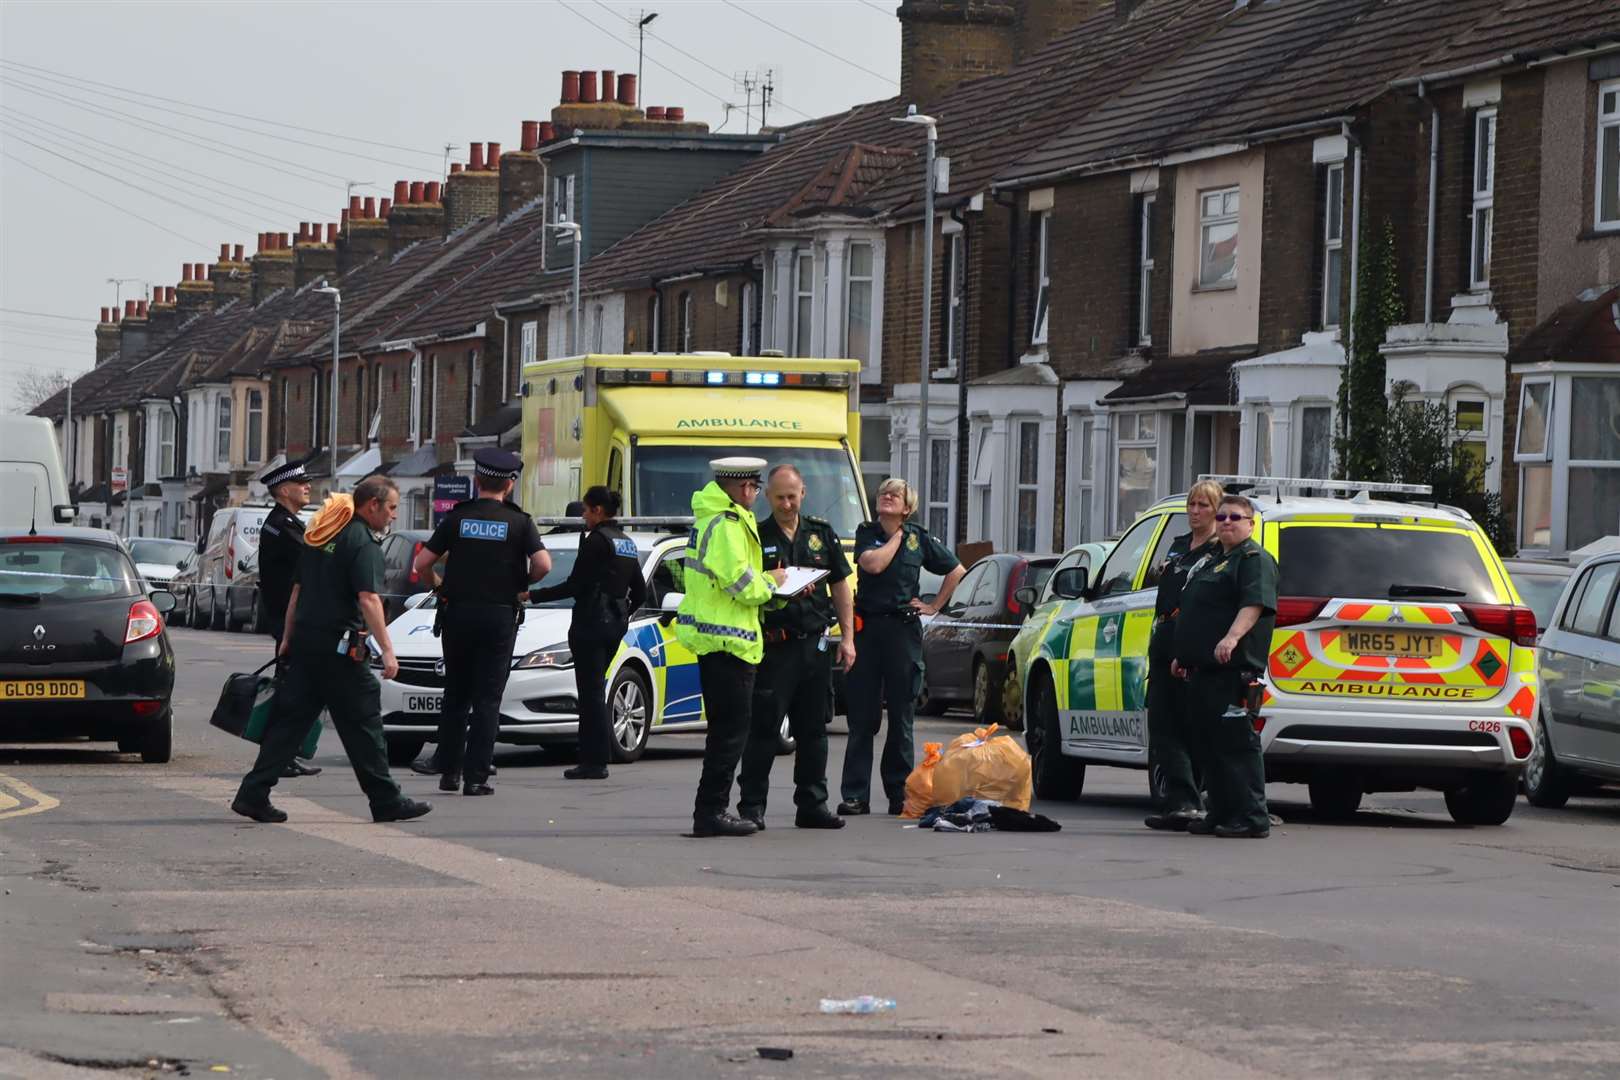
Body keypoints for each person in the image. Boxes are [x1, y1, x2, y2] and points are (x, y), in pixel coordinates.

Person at [232, 475, 431, 825]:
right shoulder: (361, 541)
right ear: (372, 505)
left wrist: (288, 639)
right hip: (339, 649)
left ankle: (253, 793)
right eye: (392, 508)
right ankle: (386, 800)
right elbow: (368, 598)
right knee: (365, 722)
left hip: (307, 644)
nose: (394, 516)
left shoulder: (321, 534)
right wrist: (388, 651)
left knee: (290, 722)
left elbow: (297, 591)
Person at [412, 449, 551, 797]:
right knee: (488, 699)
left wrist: (438, 586)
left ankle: (448, 771)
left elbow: (423, 563)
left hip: (458, 614)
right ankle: (476, 778)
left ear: (477, 480)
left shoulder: (458, 518)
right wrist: (523, 584)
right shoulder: (520, 522)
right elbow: (544, 565)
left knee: (456, 694)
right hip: (499, 617)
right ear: (509, 484)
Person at [735, 464, 856, 831]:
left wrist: (848, 638)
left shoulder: (820, 533)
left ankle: (812, 804)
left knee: (814, 731)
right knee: (764, 730)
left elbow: (840, 586)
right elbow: (746, 588)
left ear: (803, 493)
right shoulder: (756, 535)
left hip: (815, 644)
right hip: (775, 647)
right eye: (779, 497)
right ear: (768, 497)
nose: (787, 504)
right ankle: (752, 806)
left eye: (792, 496)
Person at [838, 478, 965, 817]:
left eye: (896, 494)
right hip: (869, 630)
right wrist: (897, 536)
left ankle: (900, 794)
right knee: (862, 717)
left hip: (902, 631)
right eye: (883, 492)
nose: (888, 496)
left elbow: (956, 570)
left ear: (908, 508)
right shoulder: (868, 532)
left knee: (902, 717)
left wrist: (934, 605)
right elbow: (873, 564)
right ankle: (855, 795)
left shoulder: (920, 538)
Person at [677, 457, 788, 838]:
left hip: (719, 640)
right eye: (756, 488)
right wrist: (773, 583)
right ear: (744, 488)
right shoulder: (726, 524)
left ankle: (710, 811)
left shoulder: (714, 517)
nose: (756, 495)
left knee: (726, 731)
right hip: (729, 644)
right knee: (730, 734)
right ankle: (711, 813)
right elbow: (740, 583)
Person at [1171, 493, 1278, 839]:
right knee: (1207, 745)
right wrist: (1182, 654)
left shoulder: (1253, 559)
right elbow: (1197, 610)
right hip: (1203, 670)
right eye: (1222, 518)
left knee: (1236, 745)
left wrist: (1231, 638)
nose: (1227, 523)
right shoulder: (1215, 558)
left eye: (1235, 517)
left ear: (1251, 523)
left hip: (1234, 669)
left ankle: (1251, 816)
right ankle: (1220, 811)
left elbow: (1253, 604)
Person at [529, 486, 645, 781]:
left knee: (590, 693)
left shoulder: (596, 542)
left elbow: (575, 585)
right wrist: (621, 612)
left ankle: (594, 761)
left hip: (591, 623)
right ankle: (597, 756)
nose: (583, 516)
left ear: (597, 510)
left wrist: (532, 596)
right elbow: (641, 592)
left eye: (585, 510)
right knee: (598, 689)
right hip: (614, 624)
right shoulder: (627, 542)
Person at [1143, 479, 1225, 831]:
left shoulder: (1218, 552)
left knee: (1191, 728)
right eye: (1192, 504)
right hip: (1164, 637)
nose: (1194, 511)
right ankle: (1178, 802)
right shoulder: (1178, 546)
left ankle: (1193, 801)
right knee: (1161, 724)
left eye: (1203, 506)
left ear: (1217, 511)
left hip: (1191, 641)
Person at [256, 458, 321, 779]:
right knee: (291, 690)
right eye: (301, 483)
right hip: (287, 618)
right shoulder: (282, 526)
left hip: (290, 617)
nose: (307, 487)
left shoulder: (288, 522)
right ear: (284, 490)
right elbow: (315, 559)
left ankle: (284, 754)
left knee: (293, 688)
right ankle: (280, 756)